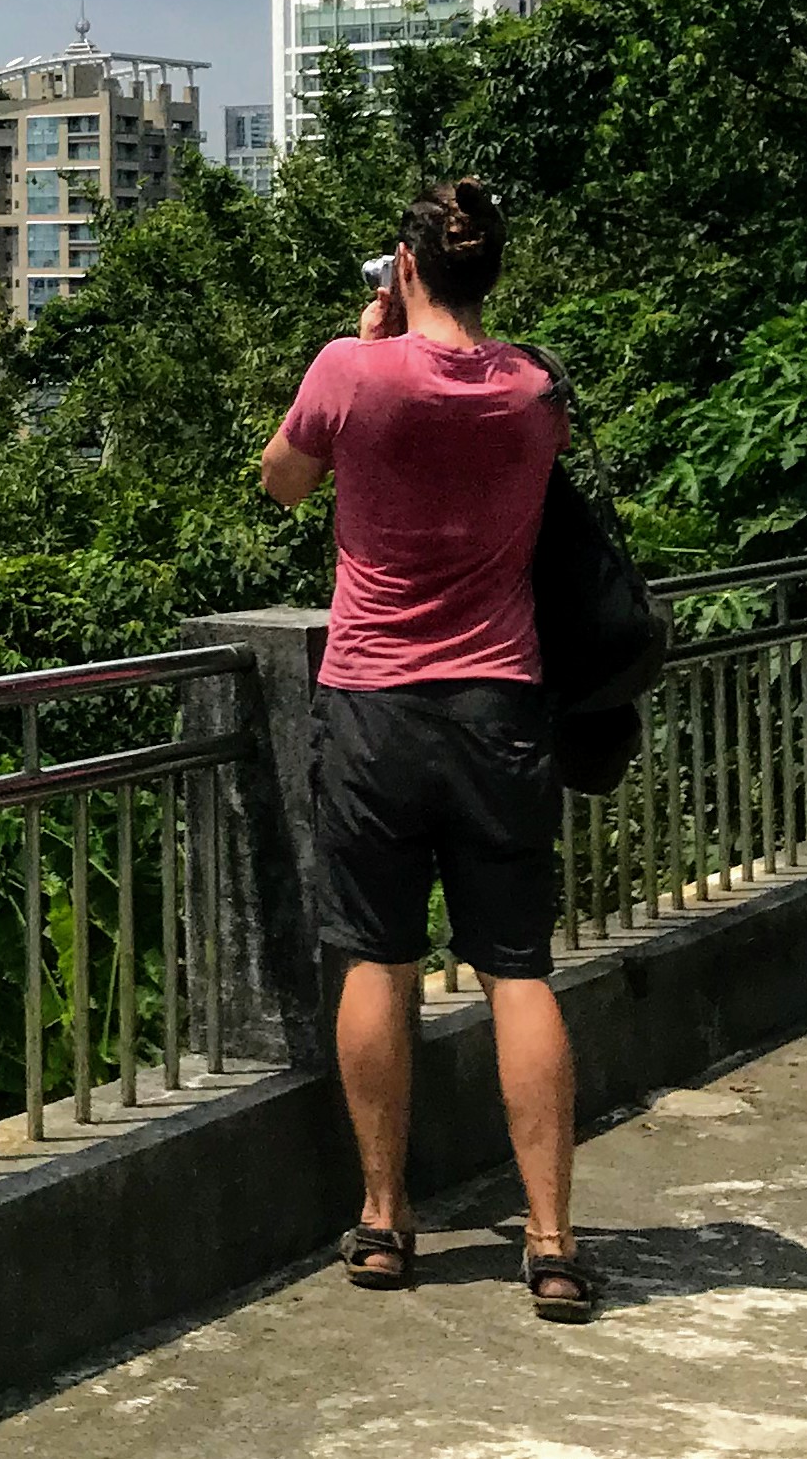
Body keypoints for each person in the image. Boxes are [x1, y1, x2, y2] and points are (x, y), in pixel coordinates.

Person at [258, 177, 594, 1324]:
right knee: (517, 967)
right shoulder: (534, 389)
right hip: (500, 701)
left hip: (373, 704)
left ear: (403, 268)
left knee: (376, 956)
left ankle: (384, 1215)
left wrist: (364, 349)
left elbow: (282, 481)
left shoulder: (349, 371)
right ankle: (550, 1244)